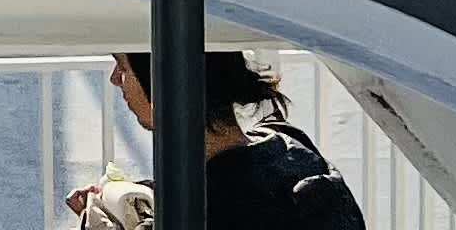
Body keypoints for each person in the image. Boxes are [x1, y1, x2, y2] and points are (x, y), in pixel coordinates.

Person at [70, 51, 367, 228]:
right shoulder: (289, 144)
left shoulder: (207, 210)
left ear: (165, 82)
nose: (114, 78)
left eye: (123, 66)